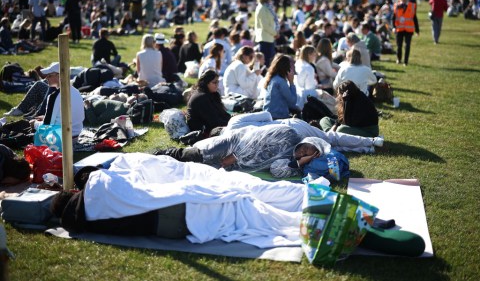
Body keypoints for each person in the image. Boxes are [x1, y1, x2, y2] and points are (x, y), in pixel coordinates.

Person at [50, 153, 304, 248]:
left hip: (174, 230)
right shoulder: (99, 185)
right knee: (242, 204)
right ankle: (304, 222)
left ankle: (299, 222)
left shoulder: (86, 222)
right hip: (177, 210)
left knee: (244, 215)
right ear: (74, 193)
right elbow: (135, 189)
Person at [158, 111, 384, 172]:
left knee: (330, 139)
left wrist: (235, 158)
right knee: (330, 141)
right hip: (282, 129)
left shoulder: (235, 127)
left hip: (290, 127)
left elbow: (262, 137)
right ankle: (368, 144)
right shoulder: (235, 127)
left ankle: (370, 142)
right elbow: (265, 117)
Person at [30, 62, 84, 138]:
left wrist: (34, 123)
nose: (46, 78)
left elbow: (47, 126)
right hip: (75, 136)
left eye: (49, 75)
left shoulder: (54, 96)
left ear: (59, 76)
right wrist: (45, 117)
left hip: (60, 139)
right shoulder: (76, 92)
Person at [186, 70, 230, 134]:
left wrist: (232, 118)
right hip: (203, 132)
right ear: (206, 83)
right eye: (214, 82)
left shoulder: (210, 93)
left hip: (212, 127)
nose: (217, 85)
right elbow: (214, 122)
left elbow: (222, 114)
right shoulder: (201, 98)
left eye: (217, 82)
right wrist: (231, 122)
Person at [263, 54, 299, 119]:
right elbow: (293, 101)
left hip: (268, 114)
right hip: (278, 116)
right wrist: (291, 82)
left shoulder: (272, 78)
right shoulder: (281, 82)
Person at [392, 0, 419, 66]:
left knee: (407, 46)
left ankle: (406, 61)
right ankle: (399, 59)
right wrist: (393, 27)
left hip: (408, 29)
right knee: (399, 46)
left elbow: (414, 18)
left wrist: (417, 30)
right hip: (399, 29)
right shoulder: (396, 6)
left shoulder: (412, 6)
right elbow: (393, 18)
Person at [254, 0, 279, 67]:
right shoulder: (262, 8)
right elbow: (265, 25)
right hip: (265, 38)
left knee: (270, 61)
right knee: (267, 62)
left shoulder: (266, 8)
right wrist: (275, 33)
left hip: (269, 37)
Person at [294, 45, 318, 109]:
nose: (315, 57)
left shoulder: (297, 63)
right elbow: (310, 88)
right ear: (309, 55)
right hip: (304, 98)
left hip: (295, 95)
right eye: (314, 55)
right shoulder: (309, 68)